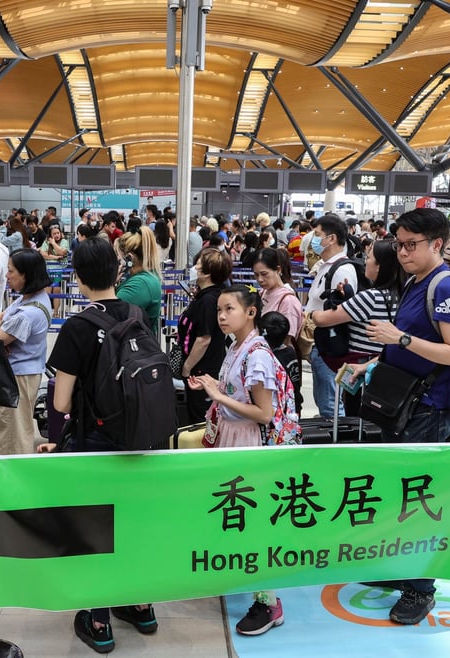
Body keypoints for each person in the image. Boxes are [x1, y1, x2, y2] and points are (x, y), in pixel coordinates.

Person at [347, 207, 450, 625]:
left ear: (437, 244)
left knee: (418, 502)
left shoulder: (448, 288)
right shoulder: (417, 282)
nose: (401, 252)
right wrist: (376, 361)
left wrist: (398, 336)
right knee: (398, 495)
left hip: (430, 409)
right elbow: (409, 345)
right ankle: (403, 572)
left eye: (410, 245)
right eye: (398, 244)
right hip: (403, 404)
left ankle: (421, 589)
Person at [46, 238, 158, 653]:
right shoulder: (135, 313)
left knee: (94, 529)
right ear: (117, 273)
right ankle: (141, 606)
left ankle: (98, 622)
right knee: (131, 524)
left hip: (93, 442)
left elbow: (59, 402)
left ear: (76, 277)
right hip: (137, 438)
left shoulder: (78, 326)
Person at [186, 285, 291, 636]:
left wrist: (219, 395)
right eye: (219, 310)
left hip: (250, 445)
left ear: (251, 312)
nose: (221, 316)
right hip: (236, 440)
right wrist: (216, 386)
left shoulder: (257, 354)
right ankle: (253, 586)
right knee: (240, 519)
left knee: (254, 524)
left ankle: (269, 603)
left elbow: (264, 413)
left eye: (229, 309)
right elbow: (238, 394)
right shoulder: (238, 347)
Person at [311, 238, 407, 415]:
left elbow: (322, 319)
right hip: (383, 366)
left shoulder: (371, 297)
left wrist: (313, 313)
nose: (365, 262)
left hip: (360, 369)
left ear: (380, 266)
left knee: (354, 415)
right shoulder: (403, 295)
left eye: (369, 258)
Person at [0, 250, 52, 455]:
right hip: (19, 374)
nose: (7, 276)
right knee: (11, 429)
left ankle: (8, 479)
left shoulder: (29, 312)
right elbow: (0, 317)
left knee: (10, 434)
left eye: (11, 271)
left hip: (17, 377)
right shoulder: (30, 298)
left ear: (26, 275)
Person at [305, 214, 355, 418]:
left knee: (331, 405)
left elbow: (345, 311)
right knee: (323, 401)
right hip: (320, 344)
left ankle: (337, 444)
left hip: (332, 347)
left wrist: (317, 318)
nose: (313, 240)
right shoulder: (326, 266)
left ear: (331, 238)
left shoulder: (343, 269)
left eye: (317, 235)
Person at [178, 248, 232, 422]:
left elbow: (204, 338)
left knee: (200, 418)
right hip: (205, 366)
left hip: (203, 369)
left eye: (198, 265)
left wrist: (187, 367)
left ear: (207, 273)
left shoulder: (209, 300)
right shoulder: (208, 296)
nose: (194, 267)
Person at [115, 226, 163, 335]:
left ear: (129, 258)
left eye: (119, 256)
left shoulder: (139, 285)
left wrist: (108, 285)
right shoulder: (145, 278)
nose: (118, 259)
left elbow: (110, 314)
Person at [252, 248, 302, 347]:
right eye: (256, 275)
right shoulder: (263, 292)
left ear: (278, 270)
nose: (260, 279)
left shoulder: (288, 300)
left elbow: (286, 341)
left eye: (264, 274)